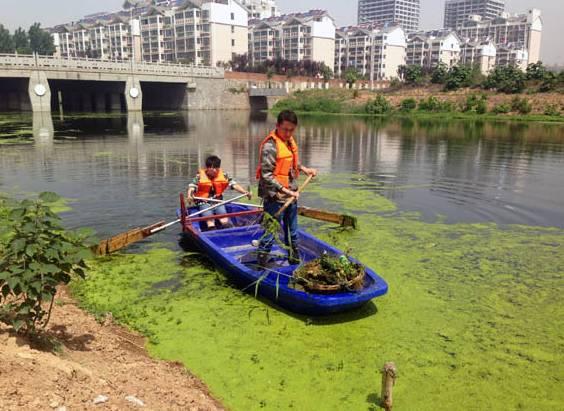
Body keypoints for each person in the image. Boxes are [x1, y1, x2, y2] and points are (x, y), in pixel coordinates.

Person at [256, 110, 317, 265]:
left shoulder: (288, 142)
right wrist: (286, 191)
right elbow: (267, 175)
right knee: (271, 231)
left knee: (293, 231)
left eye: (292, 130)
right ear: (277, 126)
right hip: (275, 197)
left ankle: (294, 259)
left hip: (291, 195)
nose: (288, 133)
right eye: (285, 129)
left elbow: (290, 163)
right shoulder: (270, 146)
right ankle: (261, 262)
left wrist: (305, 169)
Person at [187, 155, 252, 230]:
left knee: (224, 219)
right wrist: (189, 195)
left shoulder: (223, 175)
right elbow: (192, 187)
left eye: (217, 168)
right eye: (212, 168)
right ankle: (212, 230)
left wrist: (245, 192)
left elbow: (234, 185)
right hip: (204, 201)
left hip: (217, 201)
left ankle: (229, 232)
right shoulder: (199, 177)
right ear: (208, 168)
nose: (215, 170)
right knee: (210, 221)